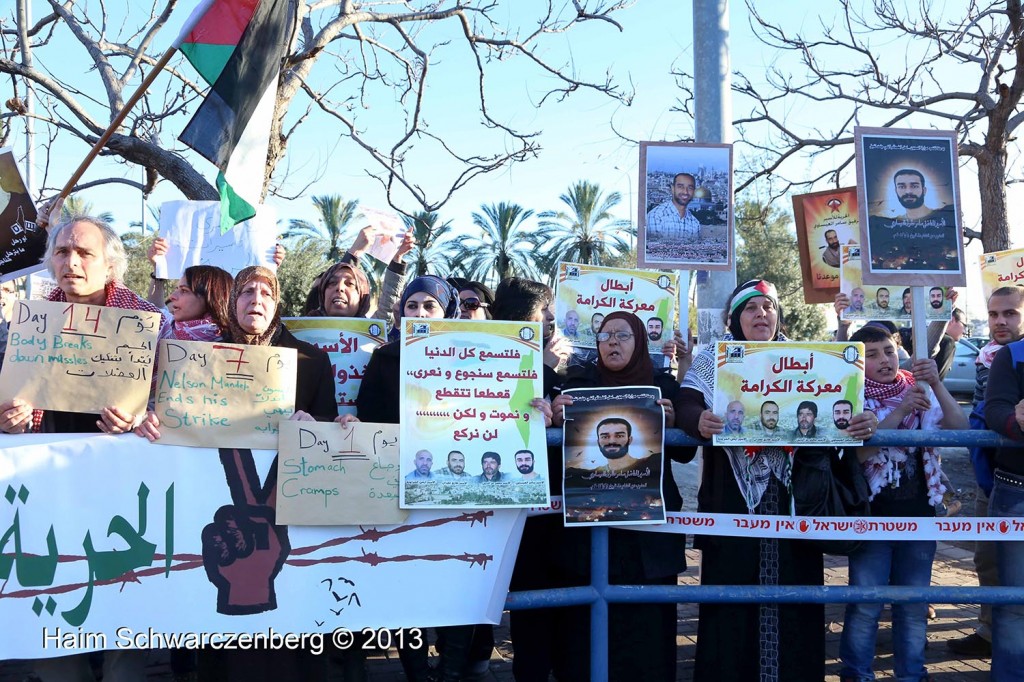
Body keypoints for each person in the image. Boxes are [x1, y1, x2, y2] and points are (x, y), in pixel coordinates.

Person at [676, 279, 876, 682]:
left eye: (768, 307)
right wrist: (696, 418)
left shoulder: (805, 356)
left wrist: (862, 419)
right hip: (732, 500)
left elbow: (844, 402)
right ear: (736, 318)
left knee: (795, 596)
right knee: (729, 599)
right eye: (750, 308)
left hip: (795, 494)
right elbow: (686, 399)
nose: (760, 315)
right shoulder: (714, 359)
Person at [0, 216, 167, 682]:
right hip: (46, 493)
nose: (71, 262)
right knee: (50, 607)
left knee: (124, 605)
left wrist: (144, 415)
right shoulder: (30, 320)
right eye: (61, 252)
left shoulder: (148, 323)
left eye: (84, 253)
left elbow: (178, 403)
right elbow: (6, 398)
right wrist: (8, 421)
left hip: (124, 498)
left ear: (110, 265)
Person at [545, 310, 694, 681]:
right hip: (588, 530)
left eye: (623, 335)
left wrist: (672, 423)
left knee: (647, 629)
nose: (612, 341)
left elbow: (685, 452)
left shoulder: (661, 386)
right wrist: (555, 416)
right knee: (584, 629)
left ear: (641, 341)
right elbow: (553, 451)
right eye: (605, 335)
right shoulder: (576, 383)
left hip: (648, 537)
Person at [353, 275, 477, 682]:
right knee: (407, 577)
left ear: (448, 314)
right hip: (399, 488)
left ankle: (453, 670)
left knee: (460, 579)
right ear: (399, 311)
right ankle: (417, 672)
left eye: (429, 307)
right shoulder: (386, 358)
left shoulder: (475, 358)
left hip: (460, 488)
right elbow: (368, 415)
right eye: (412, 305)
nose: (419, 313)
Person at [839, 324, 967, 682]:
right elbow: (861, 453)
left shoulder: (919, 387)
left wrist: (936, 385)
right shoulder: (850, 395)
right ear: (858, 363)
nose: (884, 360)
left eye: (889, 350)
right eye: (872, 354)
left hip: (920, 517)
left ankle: (912, 675)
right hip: (872, 518)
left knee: (912, 606)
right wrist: (900, 412)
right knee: (866, 604)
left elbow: (961, 428)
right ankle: (857, 675)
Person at [948, 285, 1024, 659]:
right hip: (989, 473)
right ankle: (990, 632)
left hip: (1012, 476)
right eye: (994, 314)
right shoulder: (984, 356)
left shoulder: (1016, 358)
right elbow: (992, 411)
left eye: (1009, 313)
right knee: (988, 558)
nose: (1000, 321)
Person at [983, 330, 1024, 681]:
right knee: (1015, 602)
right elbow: (993, 410)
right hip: (1017, 492)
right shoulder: (1012, 355)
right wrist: (1017, 421)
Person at [869, 168, 959, 270]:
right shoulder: (887, 225)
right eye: (902, 186)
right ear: (896, 191)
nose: (908, 191)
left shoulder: (946, 217)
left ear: (924, 190)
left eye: (914, 186)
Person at [158, 265, 233, 341]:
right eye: (176, 289)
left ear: (211, 298)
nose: (172, 296)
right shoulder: (164, 330)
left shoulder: (235, 345)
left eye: (184, 290)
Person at [646, 172, 700, 241]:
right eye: (680, 187)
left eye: (690, 188)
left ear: (694, 192)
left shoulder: (695, 223)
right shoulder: (656, 216)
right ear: (672, 188)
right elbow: (653, 249)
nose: (685, 192)